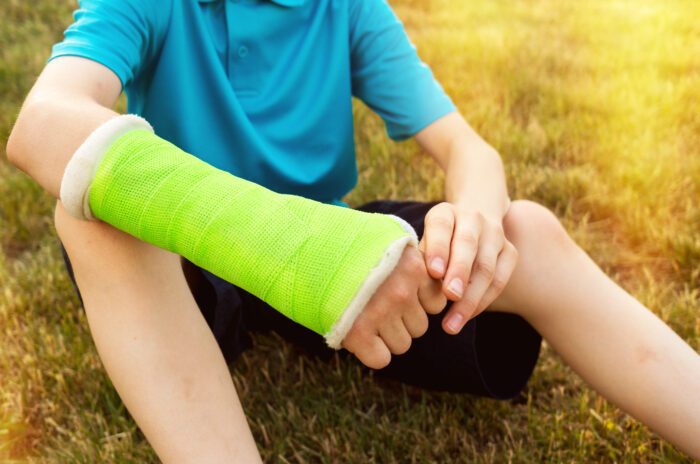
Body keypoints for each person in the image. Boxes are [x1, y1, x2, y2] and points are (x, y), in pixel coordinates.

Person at [6, 0, 699, 461]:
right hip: (188, 276)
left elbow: (470, 152)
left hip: (333, 280)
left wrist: (475, 226)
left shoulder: (348, 9)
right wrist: (295, 245)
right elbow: (42, 124)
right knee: (88, 210)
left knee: (529, 229)